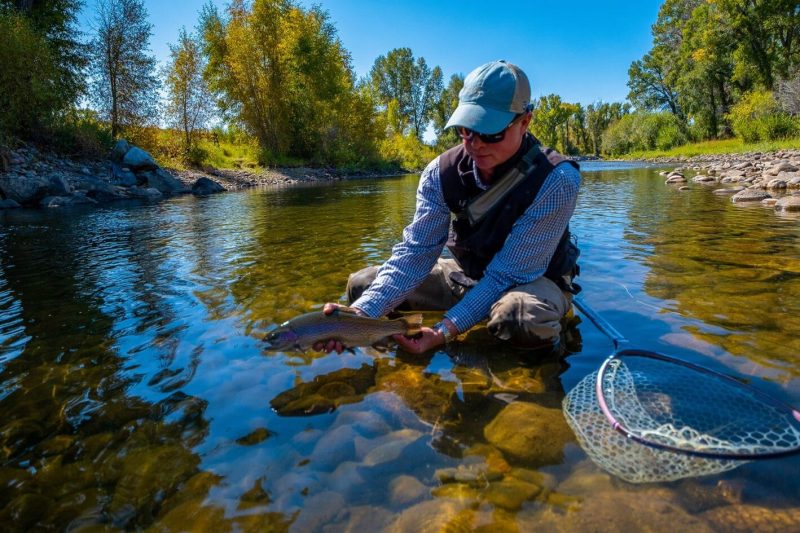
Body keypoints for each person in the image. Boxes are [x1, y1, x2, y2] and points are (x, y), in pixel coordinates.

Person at [315, 60, 581, 355]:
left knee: (518, 318)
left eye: (491, 132)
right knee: (363, 287)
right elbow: (417, 253)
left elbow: (506, 275)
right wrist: (359, 316)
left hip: (528, 282)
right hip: (469, 275)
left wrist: (443, 331)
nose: (475, 144)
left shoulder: (557, 179)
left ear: (524, 122)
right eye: (466, 130)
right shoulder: (440, 173)